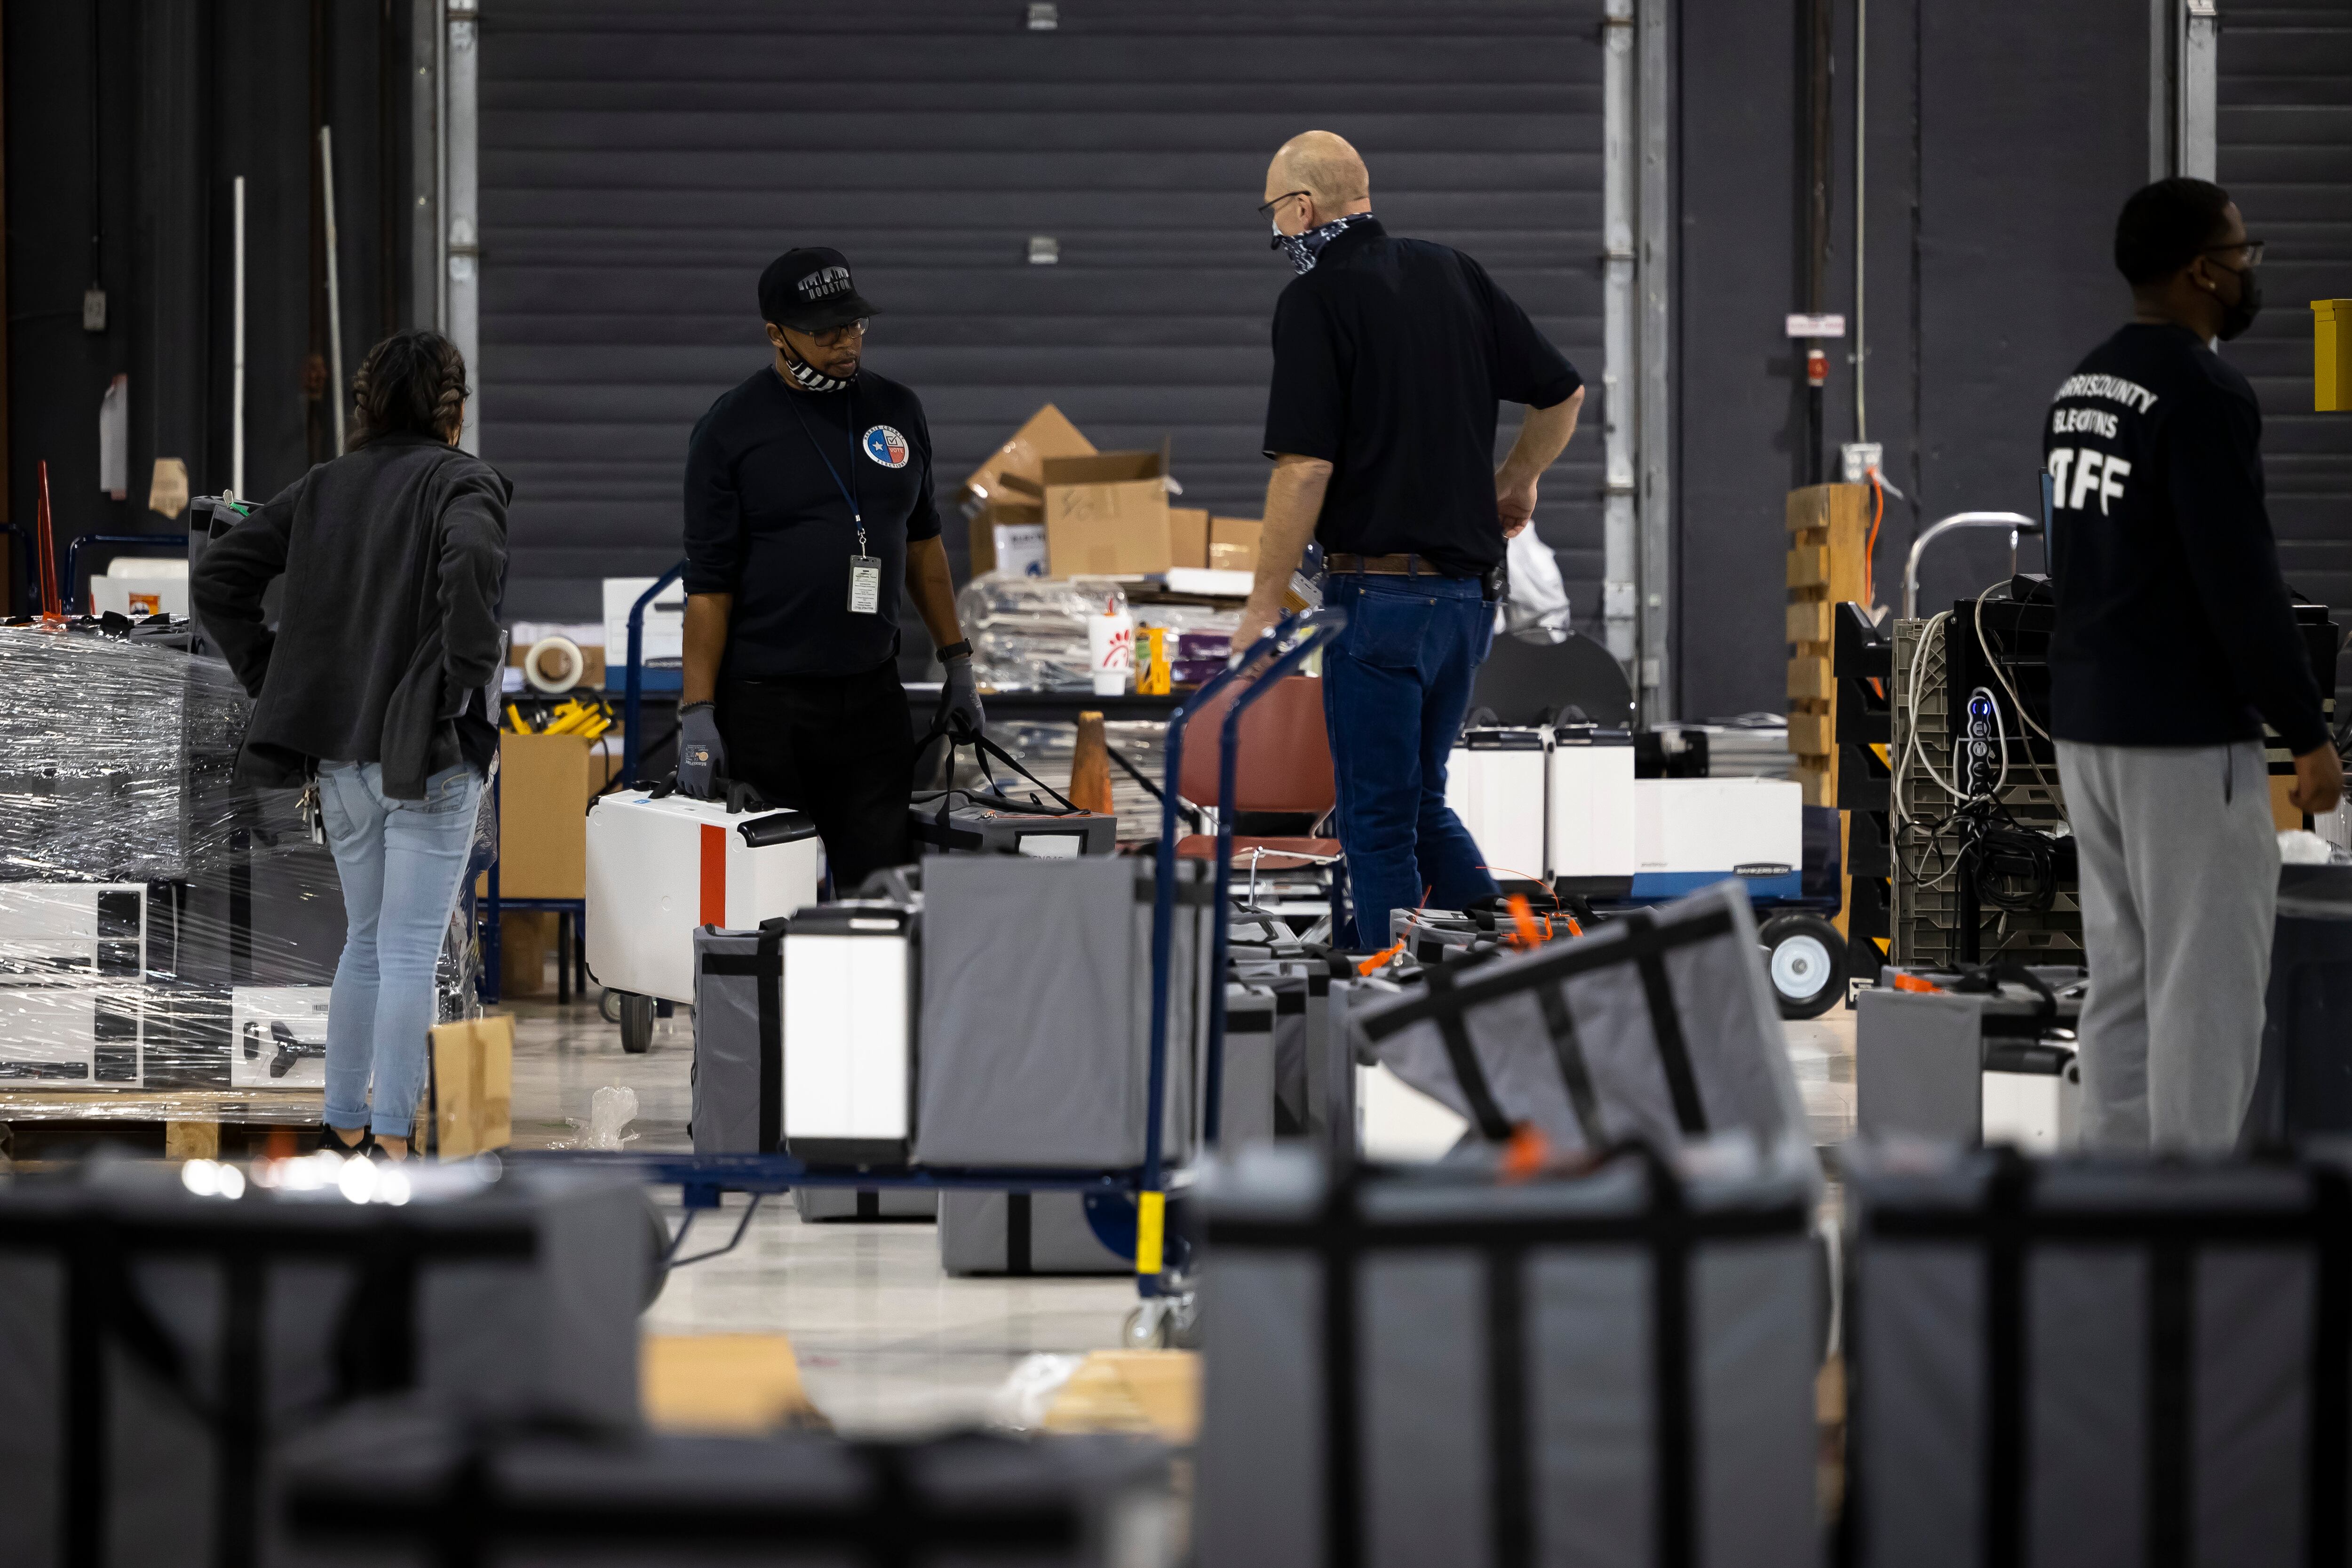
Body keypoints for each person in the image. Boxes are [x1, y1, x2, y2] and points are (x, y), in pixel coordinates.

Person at [2044, 176, 2344, 1153]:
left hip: (2089, 722)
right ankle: (2200, 1228)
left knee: (2123, 982)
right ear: (2199, 270)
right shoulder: (2204, 394)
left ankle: (2115, 1220)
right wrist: (2305, 730)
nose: (2249, 266)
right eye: (2241, 250)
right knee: (2207, 992)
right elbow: (2239, 581)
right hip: (2181, 736)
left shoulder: (2082, 386)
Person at [1232, 130, 1586, 947]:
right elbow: (1562, 392)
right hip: (1465, 606)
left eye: (1274, 214)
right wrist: (1519, 479)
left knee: (1377, 819)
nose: (1276, 234)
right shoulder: (1452, 272)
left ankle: (1384, 1014)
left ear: (1302, 207)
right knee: (1422, 800)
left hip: (1379, 600)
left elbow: (1303, 469)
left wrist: (1259, 603)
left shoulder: (1314, 302)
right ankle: (1516, 954)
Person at [192, 330, 507, 1161]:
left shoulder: (324, 487)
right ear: (455, 410)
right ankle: (396, 1145)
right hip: (429, 754)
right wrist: (460, 681)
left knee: (365, 940)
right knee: (409, 947)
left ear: (364, 406)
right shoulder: (462, 481)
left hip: (338, 756)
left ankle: (345, 1128)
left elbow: (218, 577)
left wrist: (275, 678)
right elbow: (474, 557)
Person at [677, 247, 982, 891]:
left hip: (870, 699)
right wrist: (697, 713)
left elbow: (924, 546)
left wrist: (959, 663)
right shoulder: (730, 430)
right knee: (764, 902)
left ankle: (872, 997)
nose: (846, 343)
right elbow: (709, 587)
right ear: (776, 334)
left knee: (881, 892)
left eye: (854, 326)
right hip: (764, 707)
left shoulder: (898, 410)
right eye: (825, 332)